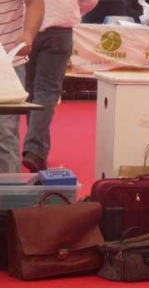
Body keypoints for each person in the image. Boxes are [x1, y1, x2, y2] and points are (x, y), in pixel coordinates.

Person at [21, 0, 99, 173]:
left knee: (30, 90)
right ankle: (35, 149)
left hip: (27, 27)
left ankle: (36, 148)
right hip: (59, 28)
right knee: (47, 90)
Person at [0, 0, 44, 174]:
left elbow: (35, 3)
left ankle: (10, 199)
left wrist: (28, 34)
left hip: (7, 62)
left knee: (5, 134)